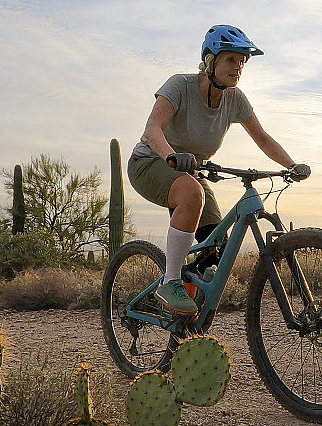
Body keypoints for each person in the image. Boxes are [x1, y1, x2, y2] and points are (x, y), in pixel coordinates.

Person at [127, 24, 311, 315]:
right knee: (192, 192)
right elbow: (152, 129)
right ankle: (170, 282)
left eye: (242, 62)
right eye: (230, 60)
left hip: (190, 173)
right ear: (210, 60)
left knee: (217, 252)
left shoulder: (235, 99)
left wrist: (291, 165)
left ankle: (185, 307)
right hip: (151, 163)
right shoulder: (180, 85)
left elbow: (262, 137)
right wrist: (172, 157)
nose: (237, 67)